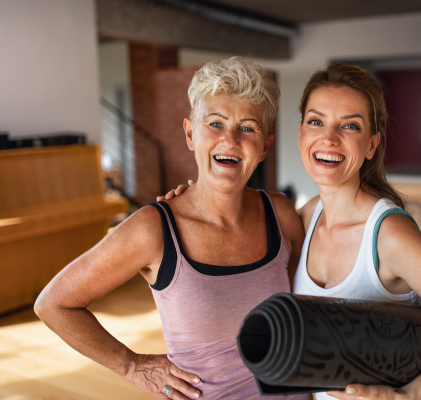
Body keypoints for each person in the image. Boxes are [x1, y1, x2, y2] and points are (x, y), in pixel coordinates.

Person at [163, 63, 421, 400]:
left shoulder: (390, 235)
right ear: (301, 133)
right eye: (317, 122)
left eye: (350, 127)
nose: (329, 139)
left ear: (372, 144)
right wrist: (193, 201)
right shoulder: (303, 219)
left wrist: (409, 394)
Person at [34, 57, 310, 400]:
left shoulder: (281, 214)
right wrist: (130, 365)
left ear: (265, 146)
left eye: (248, 128)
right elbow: (54, 304)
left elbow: (307, 310)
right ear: (191, 134)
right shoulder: (155, 229)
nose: (231, 139)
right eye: (215, 123)